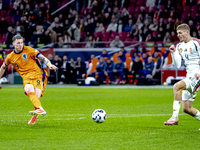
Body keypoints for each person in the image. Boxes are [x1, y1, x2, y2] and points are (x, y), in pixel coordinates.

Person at [0, 35, 57, 125]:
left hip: (38, 74)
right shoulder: (10, 57)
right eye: (18, 43)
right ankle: (40, 110)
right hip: (26, 77)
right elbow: (3, 67)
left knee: (37, 97)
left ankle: (36, 115)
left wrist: (49, 64)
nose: (20, 45)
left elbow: (42, 57)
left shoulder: (29, 50)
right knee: (28, 89)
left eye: (21, 42)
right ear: (13, 44)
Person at [164, 23, 200, 125]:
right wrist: (174, 53)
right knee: (186, 108)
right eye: (177, 33)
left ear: (187, 32)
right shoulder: (179, 46)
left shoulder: (197, 43)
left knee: (176, 87)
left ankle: (174, 117)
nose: (178, 35)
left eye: (180, 33)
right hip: (189, 76)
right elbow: (177, 65)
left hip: (197, 76)